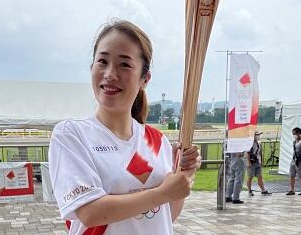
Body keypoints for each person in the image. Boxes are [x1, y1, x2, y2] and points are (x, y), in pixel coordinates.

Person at [49, 19, 202, 235]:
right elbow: (90, 213)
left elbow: (168, 214)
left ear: (144, 79)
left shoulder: (157, 142)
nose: (110, 74)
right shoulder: (72, 135)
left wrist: (182, 176)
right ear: (92, 67)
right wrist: (163, 192)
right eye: (102, 61)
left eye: (124, 64)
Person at [286, 127, 301, 196]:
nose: (293, 135)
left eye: (294, 133)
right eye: (293, 134)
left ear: (299, 133)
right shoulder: (294, 141)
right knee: (291, 175)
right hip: (294, 160)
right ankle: (292, 190)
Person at [246, 131, 271, 196]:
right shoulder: (249, 143)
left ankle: (263, 190)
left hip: (257, 162)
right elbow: (248, 153)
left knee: (260, 176)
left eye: (259, 135)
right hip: (251, 162)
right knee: (250, 177)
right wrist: (248, 162)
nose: (258, 136)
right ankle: (249, 190)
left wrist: (261, 162)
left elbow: (260, 153)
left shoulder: (259, 143)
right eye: (257, 135)